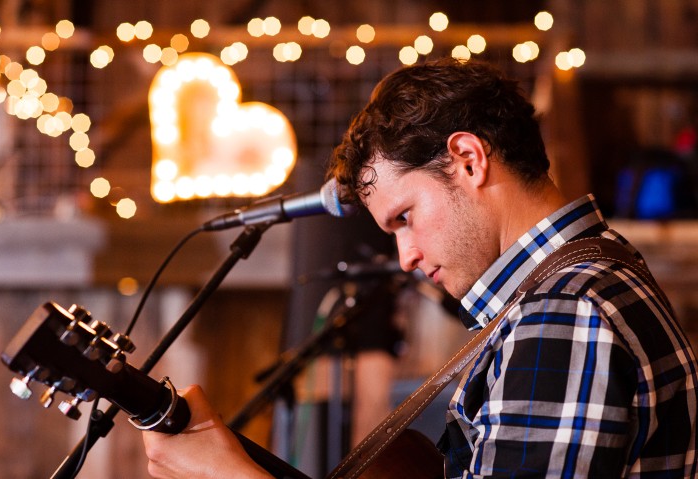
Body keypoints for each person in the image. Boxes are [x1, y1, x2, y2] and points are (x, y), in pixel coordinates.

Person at [142, 58, 698, 478]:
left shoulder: (564, 312)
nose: (404, 255)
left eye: (405, 217)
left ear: (468, 160)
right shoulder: (581, 283)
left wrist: (228, 474)